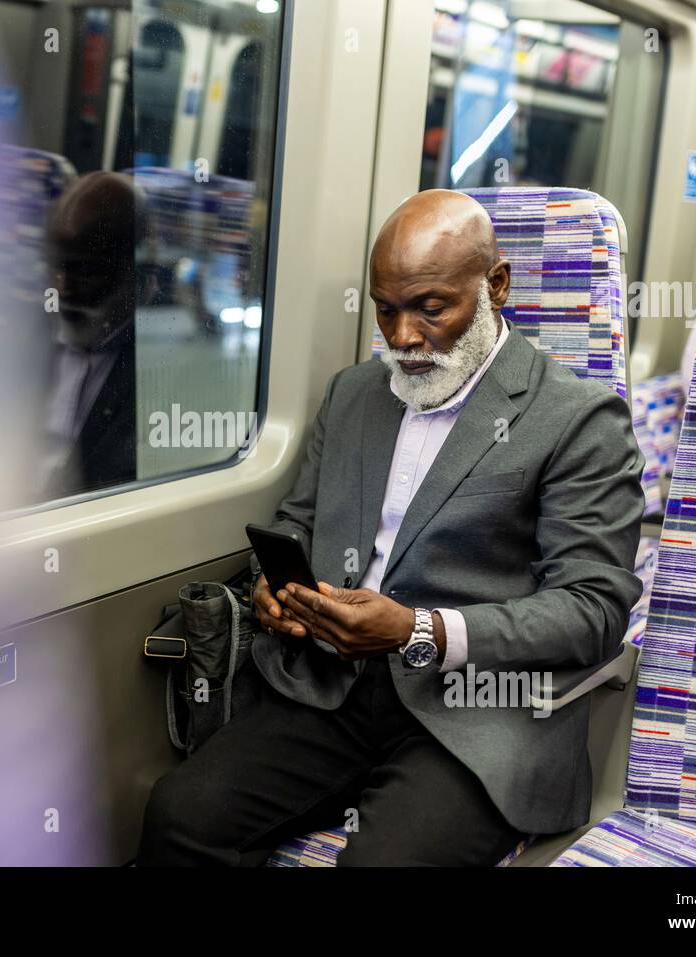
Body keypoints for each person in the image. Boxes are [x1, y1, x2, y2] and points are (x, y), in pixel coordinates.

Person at [137, 189, 645, 866]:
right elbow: (296, 523)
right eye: (386, 309)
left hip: (476, 711)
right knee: (180, 815)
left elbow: (593, 610)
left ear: (495, 286)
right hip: (332, 688)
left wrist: (418, 629)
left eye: (432, 308)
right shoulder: (355, 396)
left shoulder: (576, 418)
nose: (403, 337)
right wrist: (273, 593)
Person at [39, 172, 143, 499]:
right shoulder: (25, 338)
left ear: (130, 270)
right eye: (57, 268)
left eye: (85, 270)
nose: (63, 288)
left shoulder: (156, 370)